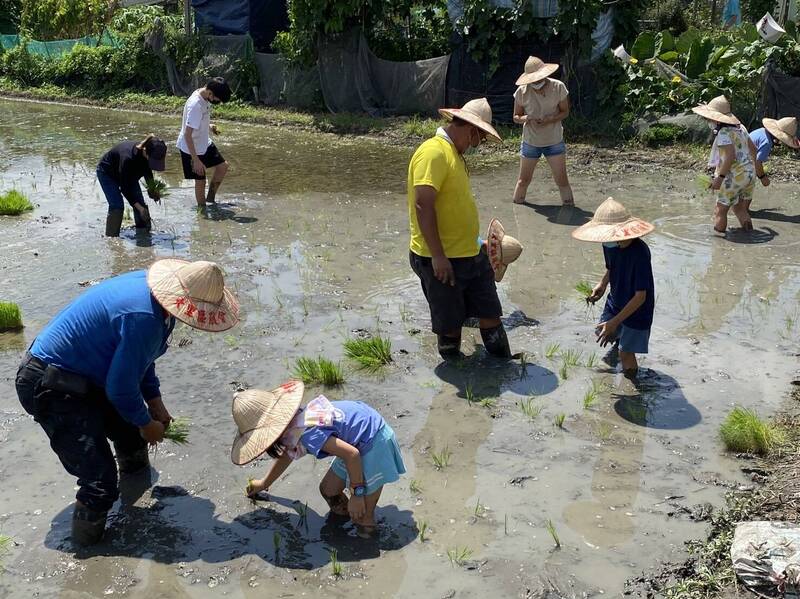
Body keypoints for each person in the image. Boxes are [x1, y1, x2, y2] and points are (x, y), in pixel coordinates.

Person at [15, 259, 239, 545]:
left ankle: (134, 496)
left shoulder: (157, 302)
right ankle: (89, 559)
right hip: (51, 384)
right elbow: (121, 388)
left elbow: (140, 361)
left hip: (86, 377)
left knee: (130, 437)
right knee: (99, 482)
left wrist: (155, 403)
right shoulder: (144, 316)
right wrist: (147, 424)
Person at [407, 98, 512, 359]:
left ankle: (503, 366)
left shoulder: (455, 155)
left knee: (490, 313)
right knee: (450, 326)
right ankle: (458, 381)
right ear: (471, 129)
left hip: (470, 254)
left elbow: (453, 209)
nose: (479, 144)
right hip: (440, 258)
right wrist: (438, 257)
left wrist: (478, 243)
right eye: (481, 138)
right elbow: (423, 205)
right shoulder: (434, 152)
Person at [234, 381, 405, 539]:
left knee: (363, 517)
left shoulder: (307, 433)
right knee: (328, 490)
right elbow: (287, 455)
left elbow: (352, 455)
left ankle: (368, 540)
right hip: (356, 440)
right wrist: (264, 483)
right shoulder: (294, 424)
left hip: (373, 443)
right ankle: (348, 518)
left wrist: (357, 495)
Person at [571, 197, 655, 380]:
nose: (607, 239)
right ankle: (620, 341)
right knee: (605, 333)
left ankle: (632, 384)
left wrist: (614, 322)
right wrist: (602, 284)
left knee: (626, 354)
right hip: (616, 300)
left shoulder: (639, 253)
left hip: (637, 310)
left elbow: (640, 297)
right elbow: (612, 267)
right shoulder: (609, 245)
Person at [511, 56, 574, 206]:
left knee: (562, 180)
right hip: (530, 142)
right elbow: (515, 117)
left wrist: (550, 119)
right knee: (523, 181)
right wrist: (527, 118)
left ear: (545, 75)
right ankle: (517, 209)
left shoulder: (558, 87)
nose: (537, 83)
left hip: (554, 141)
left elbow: (565, 112)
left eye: (539, 79)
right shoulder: (522, 91)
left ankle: (570, 208)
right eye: (533, 81)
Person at [692, 95, 756, 232]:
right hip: (750, 174)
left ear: (716, 120)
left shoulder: (723, 134)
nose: (708, 121)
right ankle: (749, 233)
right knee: (739, 207)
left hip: (735, 176)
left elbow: (730, 156)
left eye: (709, 118)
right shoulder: (741, 128)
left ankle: (718, 242)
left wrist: (719, 179)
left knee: (720, 209)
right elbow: (753, 149)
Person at [96, 135, 167, 237]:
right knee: (117, 205)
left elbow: (147, 171)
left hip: (129, 175)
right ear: (145, 150)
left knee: (141, 204)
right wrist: (140, 209)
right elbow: (125, 188)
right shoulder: (127, 158)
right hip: (107, 173)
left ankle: (144, 234)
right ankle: (111, 238)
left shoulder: (147, 155)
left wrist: (152, 189)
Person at [177, 77, 232, 207]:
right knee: (200, 181)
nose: (217, 102)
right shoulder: (195, 105)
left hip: (203, 143)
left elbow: (198, 119)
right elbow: (187, 134)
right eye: (217, 99)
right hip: (191, 148)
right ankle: (202, 212)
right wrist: (196, 160)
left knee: (222, 166)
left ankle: (210, 200)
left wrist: (209, 125)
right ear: (210, 93)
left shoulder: (203, 94)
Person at [748, 117, 799, 211]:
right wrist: (763, 177)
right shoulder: (767, 143)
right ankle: (744, 212)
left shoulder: (762, 131)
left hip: (740, 161)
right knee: (746, 195)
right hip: (744, 166)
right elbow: (757, 161)